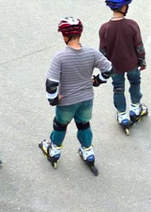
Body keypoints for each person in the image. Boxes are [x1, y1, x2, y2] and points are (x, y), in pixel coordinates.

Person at [39, 17, 113, 173]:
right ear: (80, 34)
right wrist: (97, 80)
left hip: (67, 102)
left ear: (65, 36)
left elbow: (51, 84)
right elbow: (109, 69)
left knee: (60, 125)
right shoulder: (92, 53)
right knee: (84, 124)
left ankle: (54, 151)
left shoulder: (59, 57)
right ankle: (88, 152)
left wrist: (53, 99)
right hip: (87, 99)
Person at [98, 0, 148, 131]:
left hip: (115, 67)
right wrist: (142, 60)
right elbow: (139, 45)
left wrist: (104, 68)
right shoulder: (132, 25)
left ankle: (122, 115)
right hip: (132, 64)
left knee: (118, 89)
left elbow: (102, 51)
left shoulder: (104, 28)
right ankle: (135, 108)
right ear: (124, 7)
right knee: (135, 83)